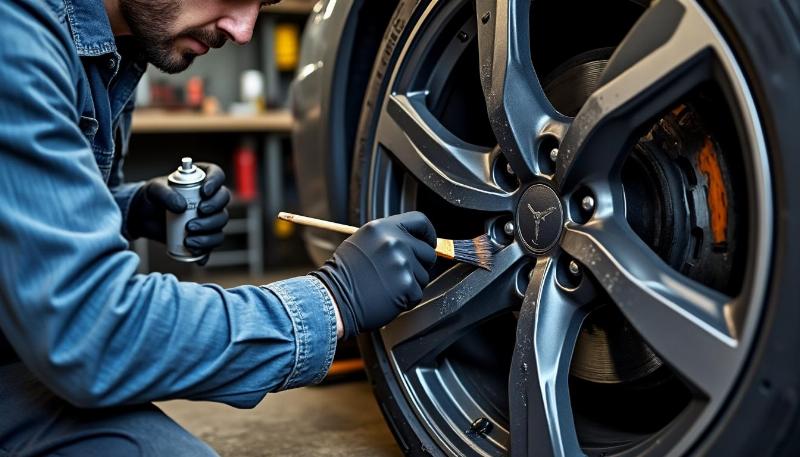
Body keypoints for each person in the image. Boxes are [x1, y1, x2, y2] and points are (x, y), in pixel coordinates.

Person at [0, 0, 437, 455]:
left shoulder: (118, 50)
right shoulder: (17, 30)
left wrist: (129, 209)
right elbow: (87, 334)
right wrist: (331, 301)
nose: (244, 31)